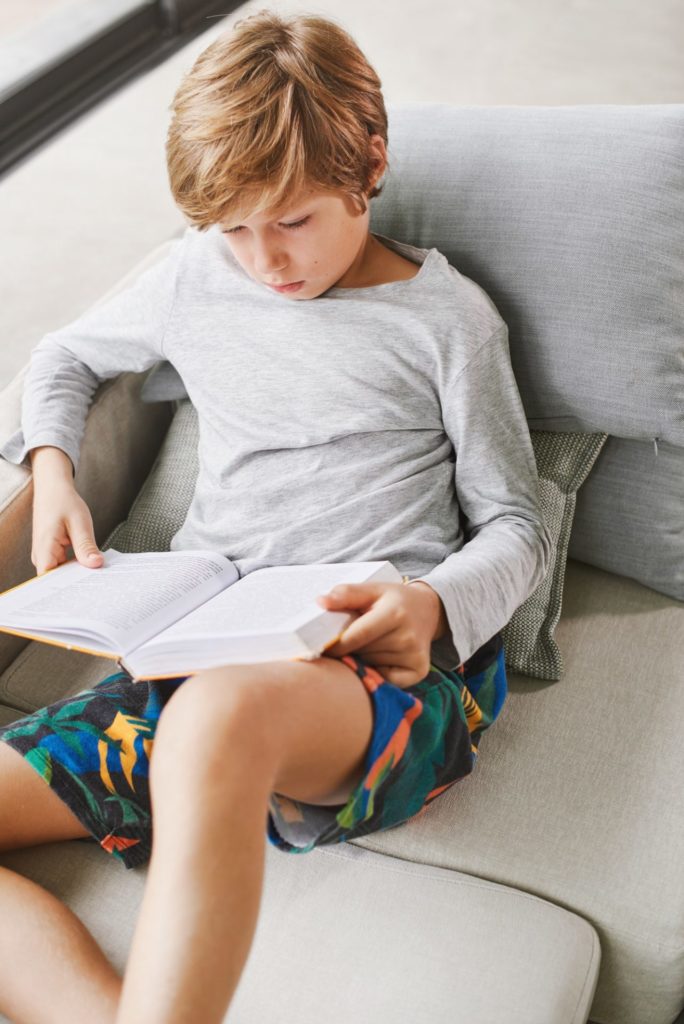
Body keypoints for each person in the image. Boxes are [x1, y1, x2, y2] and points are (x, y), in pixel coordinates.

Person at [0, 9, 551, 1023]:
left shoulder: (448, 320)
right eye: (234, 231)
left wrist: (428, 604)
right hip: (195, 656)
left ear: (370, 160)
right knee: (197, 715)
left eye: (293, 221)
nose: (268, 262)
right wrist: (55, 466)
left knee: (213, 724)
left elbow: (518, 523)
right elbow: (65, 356)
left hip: (377, 676)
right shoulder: (192, 276)